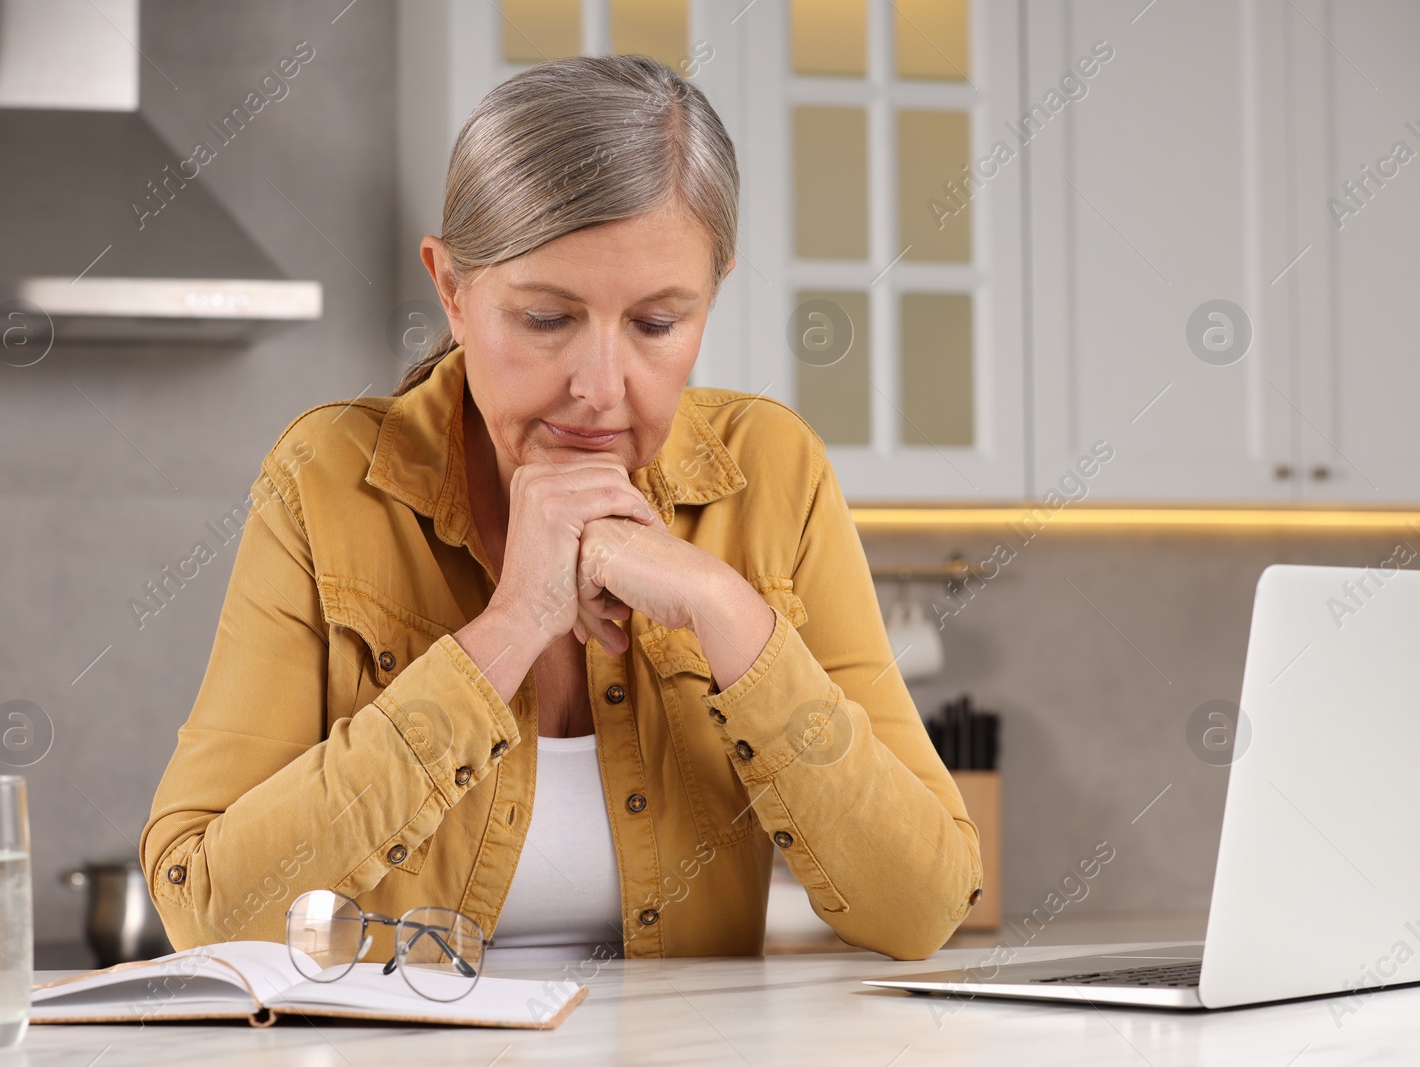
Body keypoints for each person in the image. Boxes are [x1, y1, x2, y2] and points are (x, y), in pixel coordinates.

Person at [140, 53, 981, 965]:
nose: (599, 388)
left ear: (713, 296)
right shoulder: (329, 479)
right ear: (453, 290)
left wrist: (730, 613)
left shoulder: (775, 473)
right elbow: (210, 913)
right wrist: (507, 630)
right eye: (546, 319)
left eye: (658, 325)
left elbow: (922, 905)